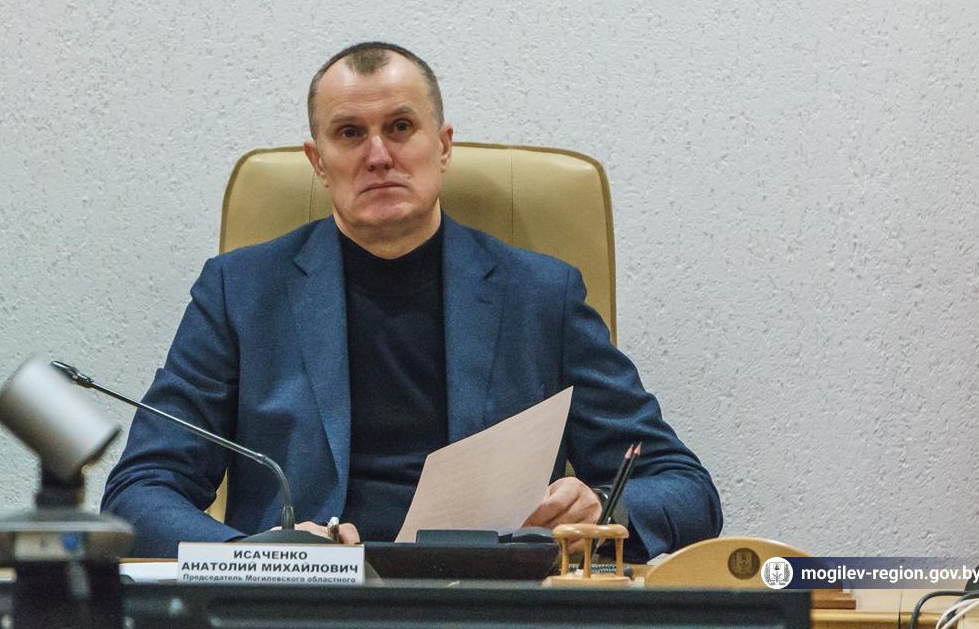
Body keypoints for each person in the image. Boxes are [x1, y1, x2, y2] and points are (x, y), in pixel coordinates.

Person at [102, 42, 723, 557]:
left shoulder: (540, 296)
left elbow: (683, 487)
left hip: (487, 606)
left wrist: (603, 508)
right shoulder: (240, 292)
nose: (378, 156)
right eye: (350, 133)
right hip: (307, 607)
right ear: (318, 163)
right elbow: (140, 489)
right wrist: (259, 556)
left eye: (400, 127)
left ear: (443, 146)